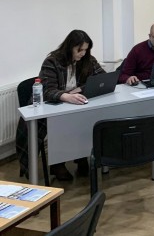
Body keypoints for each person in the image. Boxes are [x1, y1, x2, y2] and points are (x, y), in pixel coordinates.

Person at [16, 30, 105, 181]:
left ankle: (82, 156)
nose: (83, 53)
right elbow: (47, 90)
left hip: (76, 104)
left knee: (89, 119)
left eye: (86, 49)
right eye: (80, 49)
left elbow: (101, 78)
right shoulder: (52, 61)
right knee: (60, 122)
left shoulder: (88, 60)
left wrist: (80, 89)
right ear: (70, 47)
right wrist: (66, 96)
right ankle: (58, 164)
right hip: (51, 104)